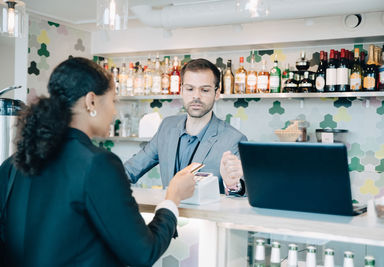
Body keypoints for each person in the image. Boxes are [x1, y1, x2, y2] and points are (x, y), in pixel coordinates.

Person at [0, 57, 196, 267]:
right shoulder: (98, 164)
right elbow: (143, 253)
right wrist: (172, 200)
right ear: (91, 101)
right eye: (112, 101)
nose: (114, 111)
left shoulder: (13, 164)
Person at [125, 58, 247, 195]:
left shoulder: (234, 139)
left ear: (217, 93)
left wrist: (233, 185)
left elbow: (246, 191)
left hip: (207, 216)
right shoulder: (167, 126)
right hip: (168, 213)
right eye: (190, 89)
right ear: (181, 90)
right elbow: (132, 168)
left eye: (205, 90)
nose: (196, 96)